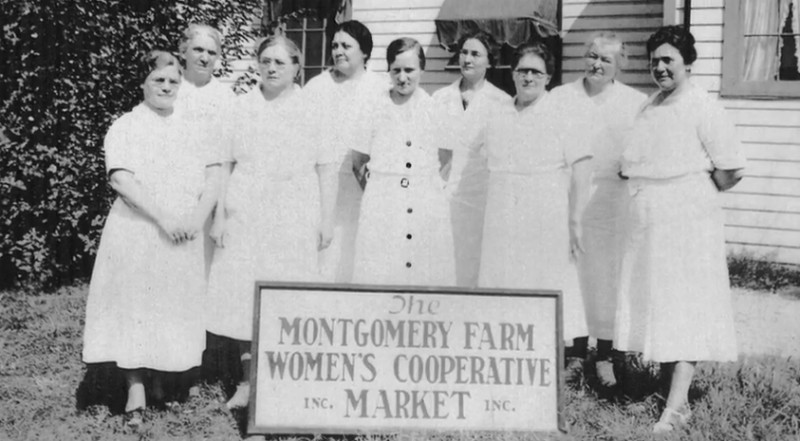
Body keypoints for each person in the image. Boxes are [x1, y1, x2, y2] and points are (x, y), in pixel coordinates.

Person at [615, 25, 745, 433]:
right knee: (662, 305)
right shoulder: (650, 104)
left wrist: (693, 196)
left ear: (688, 63)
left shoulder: (703, 105)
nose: (660, 68)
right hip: (650, 220)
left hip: (688, 221)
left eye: (668, 59)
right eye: (654, 61)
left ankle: (676, 407)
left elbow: (731, 169)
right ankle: (670, 395)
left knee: (685, 307)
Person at [82, 50, 221, 426]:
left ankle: (164, 381)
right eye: (158, 80)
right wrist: (164, 219)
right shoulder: (126, 126)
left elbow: (213, 177)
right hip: (140, 229)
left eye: (173, 81)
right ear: (143, 83)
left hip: (183, 232)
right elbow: (121, 180)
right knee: (136, 307)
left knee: (172, 306)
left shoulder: (194, 125)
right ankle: (136, 392)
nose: (166, 87)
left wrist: (194, 217)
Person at [206, 35, 337, 410]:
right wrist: (218, 216)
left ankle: (284, 384)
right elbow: (225, 163)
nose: (273, 67)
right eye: (266, 60)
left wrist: (327, 220)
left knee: (287, 292)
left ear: (297, 67)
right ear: (257, 64)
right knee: (246, 295)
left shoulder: (313, 109)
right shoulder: (241, 106)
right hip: (246, 209)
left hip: (295, 208)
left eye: (281, 62)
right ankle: (248, 385)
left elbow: (327, 168)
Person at [478, 41, 591, 366]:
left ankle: (546, 357)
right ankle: (505, 354)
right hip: (502, 209)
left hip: (544, 210)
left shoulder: (561, 113)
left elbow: (583, 166)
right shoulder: (498, 114)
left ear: (548, 76)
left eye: (535, 72)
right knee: (503, 275)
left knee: (542, 277)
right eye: (522, 70)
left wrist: (575, 220)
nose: (528, 77)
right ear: (512, 74)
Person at [549, 32, 647, 386]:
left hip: (611, 198)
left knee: (607, 276)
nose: (597, 64)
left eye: (606, 59)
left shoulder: (636, 103)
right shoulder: (560, 97)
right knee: (571, 273)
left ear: (621, 64)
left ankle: (605, 353)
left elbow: (642, 152)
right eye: (592, 56)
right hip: (567, 194)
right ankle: (574, 353)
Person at [351, 37, 455, 286]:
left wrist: (425, 188)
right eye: (396, 70)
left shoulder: (434, 108)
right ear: (388, 70)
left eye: (409, 70)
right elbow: (358, 162)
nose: (402, 77)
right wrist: (383, 191)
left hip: (425, 200)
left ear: (422, 69)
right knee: (383, 268)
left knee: (423, 268)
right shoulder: (372, 108)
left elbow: (445, 157)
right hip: (383, 202)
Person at [304, 20, 390, 283]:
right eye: (334, 45)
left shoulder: (381, 88)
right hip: (324, 186)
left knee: (359, 255)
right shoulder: (317, 87)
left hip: (365, 187)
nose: (338, 51)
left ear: (364, 51)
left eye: (346, 45)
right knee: (325, 258)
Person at [432, 30, 511, 288]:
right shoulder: (439, 99)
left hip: (481, 200)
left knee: (475, 269)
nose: (467, 59)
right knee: (443, 266)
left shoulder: (502, 102)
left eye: (475, 54)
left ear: (490, 61)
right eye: (464, 52)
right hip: (444, 196)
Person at [174, 23, 236, 277]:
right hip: (173, 189)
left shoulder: (226, 97)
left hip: (209, 195)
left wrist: (220, 215)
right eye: (198, 49)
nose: (204, 57)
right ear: (184, 52)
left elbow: (226, 160)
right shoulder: (169, 88)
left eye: (211, 52)